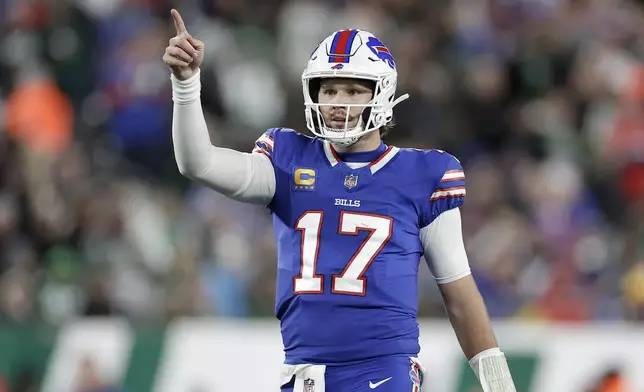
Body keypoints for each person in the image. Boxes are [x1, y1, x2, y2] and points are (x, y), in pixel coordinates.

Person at [164, 8, 517, 392]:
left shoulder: (423, 175)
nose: (337, 101)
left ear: (381, 94)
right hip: (304, 375)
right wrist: (186, 84)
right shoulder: (287, 158)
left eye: (352, 90)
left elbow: (457, 288)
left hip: (383, 371)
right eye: (329, 89)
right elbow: (198, 163)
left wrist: (495, 379)